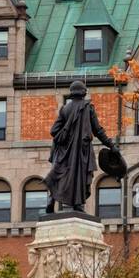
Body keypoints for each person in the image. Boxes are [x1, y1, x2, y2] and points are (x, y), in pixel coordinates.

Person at [44, 80, 116, 214]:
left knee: (61, 175)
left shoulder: (65, 109)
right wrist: (111, 145)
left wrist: (66, 134)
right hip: (81, 150)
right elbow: (98, 131)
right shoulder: (88, 108)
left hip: (65, 150)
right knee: (80, 176)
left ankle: (51, 199)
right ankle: (77, 204)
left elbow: (54, 130)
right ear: (83, 93)